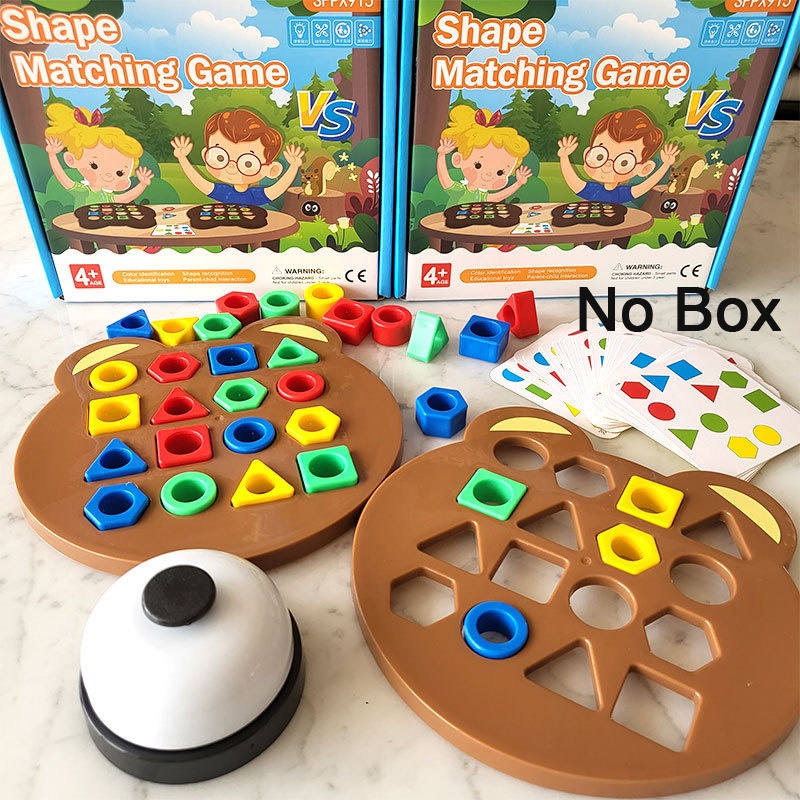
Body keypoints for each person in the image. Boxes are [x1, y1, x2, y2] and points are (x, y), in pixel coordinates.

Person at [170, 109, 304, 205]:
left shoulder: (254, 196)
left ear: (271, 170)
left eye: (248, 163)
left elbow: (277, 189)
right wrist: (182, 158)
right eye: (220, 157)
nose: (231, 166)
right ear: (206, 156)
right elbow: (199, 182)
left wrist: (294, 167)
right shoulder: (223, 192)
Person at [557, 109, 681, 204]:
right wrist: (564, 157)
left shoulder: (622, 193)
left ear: (644, 169)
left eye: (624, 162)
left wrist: (665, 165)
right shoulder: (592, 190)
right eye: (600, 156)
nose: (607, 165)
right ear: (587, 154)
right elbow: (572, 181)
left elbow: (646, 186)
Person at [44, 104, 153, 208]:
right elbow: (63, 178)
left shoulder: (106, 195)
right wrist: (52, 155)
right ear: (71, 160)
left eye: (120, 173)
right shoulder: (83, 191)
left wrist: (142, 185)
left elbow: (123, 198)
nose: (108, 175)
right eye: (94, 165)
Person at [437, 106, 532, 204]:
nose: (488, 175)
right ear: (457, 160)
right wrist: (441, 155)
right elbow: (445, 180)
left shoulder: (480, 195)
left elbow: (496, 197)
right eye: (478, 165)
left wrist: (518, 184)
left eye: (500, 173)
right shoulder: (459, 191)